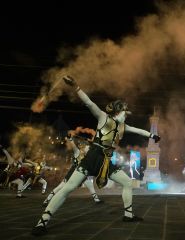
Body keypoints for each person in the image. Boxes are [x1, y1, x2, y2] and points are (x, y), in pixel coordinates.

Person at [31, 75, 161, 236]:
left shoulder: (123, 126)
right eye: (125, 111)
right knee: (67, 188)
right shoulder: (103, 118)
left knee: (127, 182)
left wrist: (152, 135)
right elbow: (89, 103)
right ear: (119, 111)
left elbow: (138, 130)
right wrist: (76, 86)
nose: (126, 114)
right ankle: (42, 222)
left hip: (106, 160)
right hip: (93, 157)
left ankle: (128, 215)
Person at [42, 132, 103, 207]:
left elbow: (94, 148)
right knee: (60, 187)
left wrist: (94, 142)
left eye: (87, 146)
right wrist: (70, 139)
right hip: (72, 174)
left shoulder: (87, 155)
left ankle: (96, 199)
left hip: (82, 173)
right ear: (82, 147)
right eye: (85, 146)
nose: (87, 147)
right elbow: (73, 146)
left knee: (90, 185)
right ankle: (47, 200)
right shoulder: (77, 152)